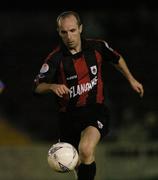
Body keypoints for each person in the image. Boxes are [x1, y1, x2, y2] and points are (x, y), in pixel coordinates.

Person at [33, 11, 144, 180]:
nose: (69, 36)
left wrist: (131, 79)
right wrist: (52, 86)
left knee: (85, 149)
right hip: (68, 117)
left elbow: (116, 59)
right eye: (64, 32)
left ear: (80, 28)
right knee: (76, 163)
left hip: (95, 110)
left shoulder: (97, 47)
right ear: (59, 32)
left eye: (72, 30)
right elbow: (37, 87)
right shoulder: (55, 59)